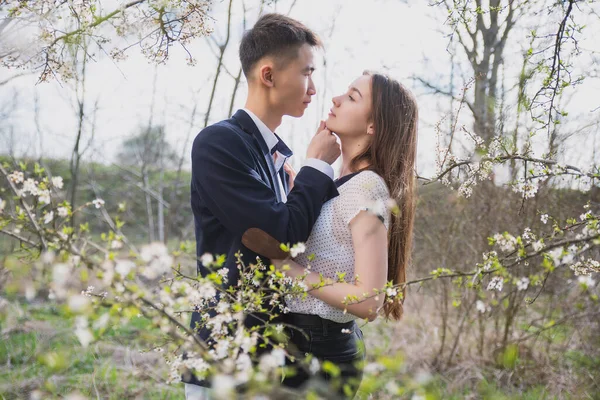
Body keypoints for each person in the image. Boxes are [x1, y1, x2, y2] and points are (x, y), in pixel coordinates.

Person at [184, 13, 342, 399]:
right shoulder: (219, 143)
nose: (313, 88)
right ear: (268, 75)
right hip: (223, 359)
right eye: (306, 72)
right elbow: (280, 237)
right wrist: (318, 166)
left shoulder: (273, 157)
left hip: (265, 358)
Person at [242, 71, 419, 399]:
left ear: (373, 126)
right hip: (301, 342)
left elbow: (369, 300)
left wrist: (290, 270)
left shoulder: (367, 187)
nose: (336, 99)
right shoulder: (343, 184)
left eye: (353, 97)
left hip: (321, 351)